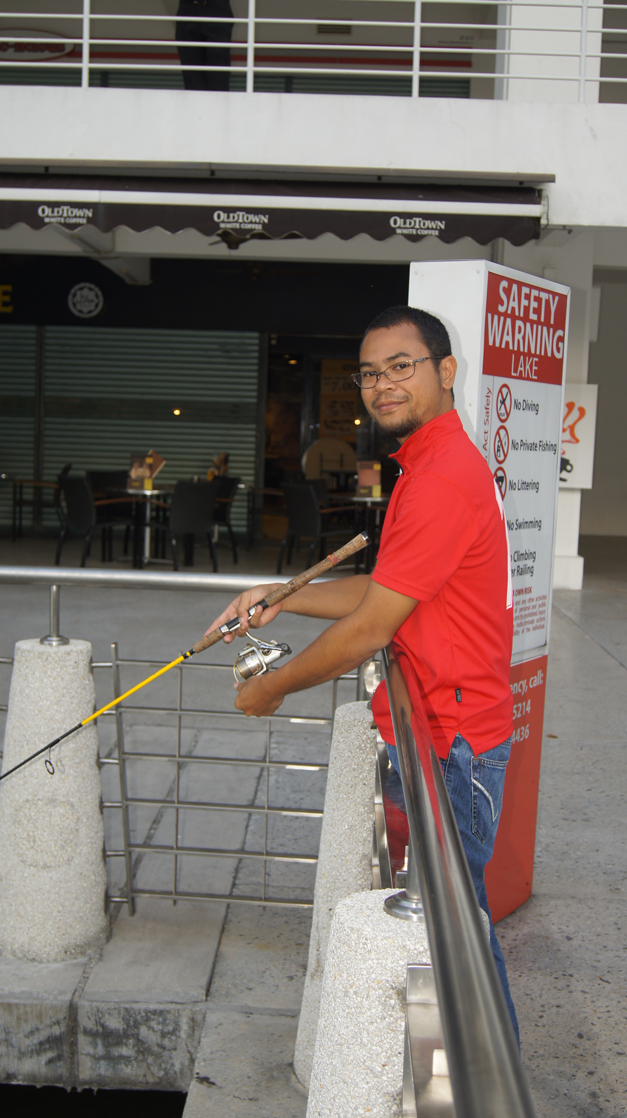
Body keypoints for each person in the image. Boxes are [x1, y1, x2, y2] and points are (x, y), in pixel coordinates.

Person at [206, 305, 519, 1042]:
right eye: (370, 373)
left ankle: (488, 1074)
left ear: (446, 370)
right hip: (435, 730)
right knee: (441, 930)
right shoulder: (427, 463)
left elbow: (371, 628)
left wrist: (272, 688)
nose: (382, 385)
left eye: (401, 366)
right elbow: (386, 590)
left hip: (452, 741)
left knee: (455, 938)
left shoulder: (441, 477)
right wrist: (281, 595)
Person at [176, 0, 234, 92]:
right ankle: (195, 99)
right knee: (191, 72)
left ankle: (218, 99)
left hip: (217, 8)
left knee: (218, 73)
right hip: (188, 8)